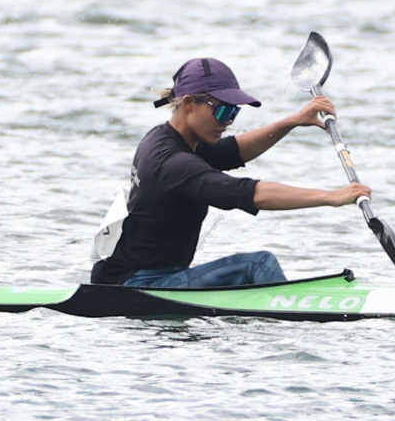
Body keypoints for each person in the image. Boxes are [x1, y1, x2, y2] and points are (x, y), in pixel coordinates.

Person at [90, 56, 371, 289]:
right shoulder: (172, 162)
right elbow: (243, 193)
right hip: (141, 285)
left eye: (234, 112)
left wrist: (293, 121)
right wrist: (331, 197)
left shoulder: (169, 139)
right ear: (188, 103)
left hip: (139, 277)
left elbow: (231, 151)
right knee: (258, 264)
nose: (228, 122)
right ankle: (293, 317)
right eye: (222, 111)